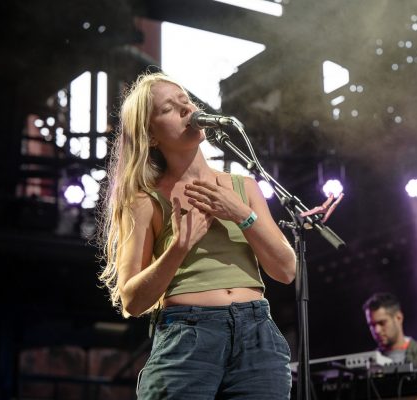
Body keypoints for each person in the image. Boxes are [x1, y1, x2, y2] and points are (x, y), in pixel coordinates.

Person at [98, 71, 297, 399]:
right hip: (187, 337)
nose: (185, 110)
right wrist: (180, 246)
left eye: (186, 102)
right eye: (168, 108)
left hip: (257, 334)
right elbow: (132, 301)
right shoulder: (145, 200)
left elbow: (286, 270)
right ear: (150, 135)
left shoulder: (243, 188)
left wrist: (241, 215)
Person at [363, 292, 417, 380]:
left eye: (382, 323)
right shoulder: (368, 361)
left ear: (399, 318)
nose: (377, 330)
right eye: (372, 325)